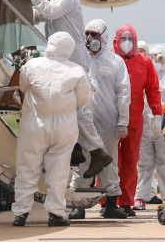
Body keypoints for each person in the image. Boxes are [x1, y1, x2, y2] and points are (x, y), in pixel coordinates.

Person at [13, 0, 112, 178]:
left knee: (79, 110)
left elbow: (48, 11)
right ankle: (76, 149)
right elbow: (39, 15)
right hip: (64, 59)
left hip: (74, 58)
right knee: (65, 107)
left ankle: (97, 152)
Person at [11, 31, 91, 227]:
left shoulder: (31, 65)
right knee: (59, 171)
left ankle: (20, 214)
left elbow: (23, 87)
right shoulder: (76, 70)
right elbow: (84, 99)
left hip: (34, 122)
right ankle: (55, 214)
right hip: (64, 125)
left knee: (26, 169)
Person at [69, 19, 130, 220]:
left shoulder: (115, 62)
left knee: (109, 161)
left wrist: (123, 121)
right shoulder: (80, 60)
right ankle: (79, 206)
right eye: (87, 34)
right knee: (84, 162)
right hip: (84, 121)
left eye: (94, 34)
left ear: (103, 36)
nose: (89, 38)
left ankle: (111, 205)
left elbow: (123, 93)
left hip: (108, 122)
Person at [113, 24, 163, 216]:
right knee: (110, 160)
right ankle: (107, 201)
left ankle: (126, 201)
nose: (126, 42)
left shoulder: (144, 62)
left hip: (134, 118)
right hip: (110, 117)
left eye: (130, 39)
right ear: (116, 39)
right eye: (123, 38)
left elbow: (153, 90)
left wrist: (157, 114)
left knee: (130, 161)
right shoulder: (108, 59)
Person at [133, 44, 165, 211]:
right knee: (143, 164)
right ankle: (140, 197)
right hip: (143, 123)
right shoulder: (138, 72)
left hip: (164, 123)